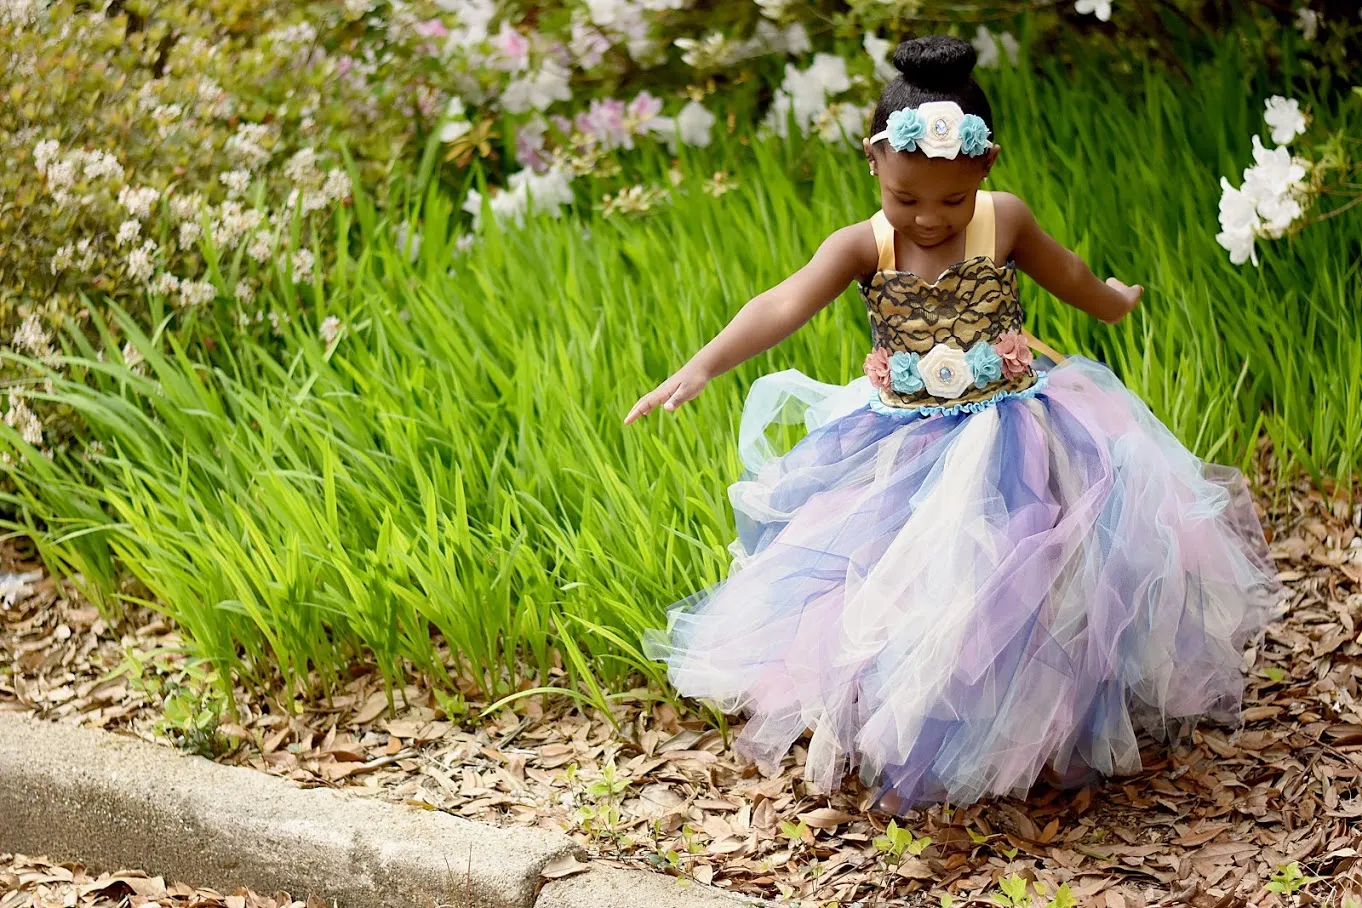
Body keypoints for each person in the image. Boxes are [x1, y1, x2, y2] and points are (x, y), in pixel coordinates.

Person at [625, 34, 1284, 810]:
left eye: (951, 200)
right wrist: (705, 362)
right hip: (904, 442)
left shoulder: (1002, 221)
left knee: (1035, 570)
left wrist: (1111, 300)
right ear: (874, 163)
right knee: (913, 582)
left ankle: (1045, 723)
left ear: (985, 167)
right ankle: (923, 720)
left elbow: (1065, 272)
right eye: (906, 199)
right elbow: (782, 301)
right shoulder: (861, 246)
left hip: (1016, 429)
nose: (929, 219)